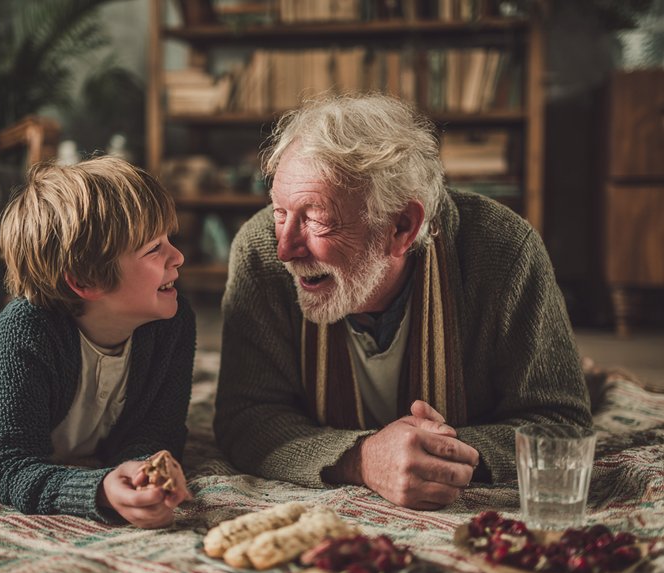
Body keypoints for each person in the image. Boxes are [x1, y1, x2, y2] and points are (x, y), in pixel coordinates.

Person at [214, 94, 591, 510]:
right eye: (280, 212)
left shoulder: (503, 249)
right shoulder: (260, 251)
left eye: (316, 218)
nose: (286, 249)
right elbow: (245, 417)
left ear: (401, 226)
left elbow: (561, 428)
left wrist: (430, 455)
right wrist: (362, 458)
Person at [0, 156, 195, 528]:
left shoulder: (172, 322)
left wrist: (141, 467)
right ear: (85, 281)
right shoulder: (24, 331)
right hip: (0, 368)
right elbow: (8, 466)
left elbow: (159, 430)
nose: (178, 257)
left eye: (169, 240)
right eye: (154, 248)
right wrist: (98, 488)